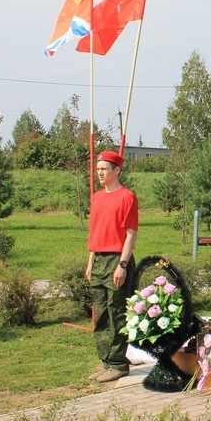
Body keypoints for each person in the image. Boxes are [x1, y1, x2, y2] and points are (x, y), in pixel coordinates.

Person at [85, 151, 138, 383]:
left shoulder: (127, 197)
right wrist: (90, 262)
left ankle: (118, 363)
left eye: (104, 169)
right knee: (101, 315)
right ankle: (106, 361)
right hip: (98, 260)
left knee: (116, 313)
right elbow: (95, 231)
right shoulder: (96, 197)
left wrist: (122, 265)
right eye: (98, 169)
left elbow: (131, 234)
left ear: (117, 170)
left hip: (117, 260)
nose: (100, 172)